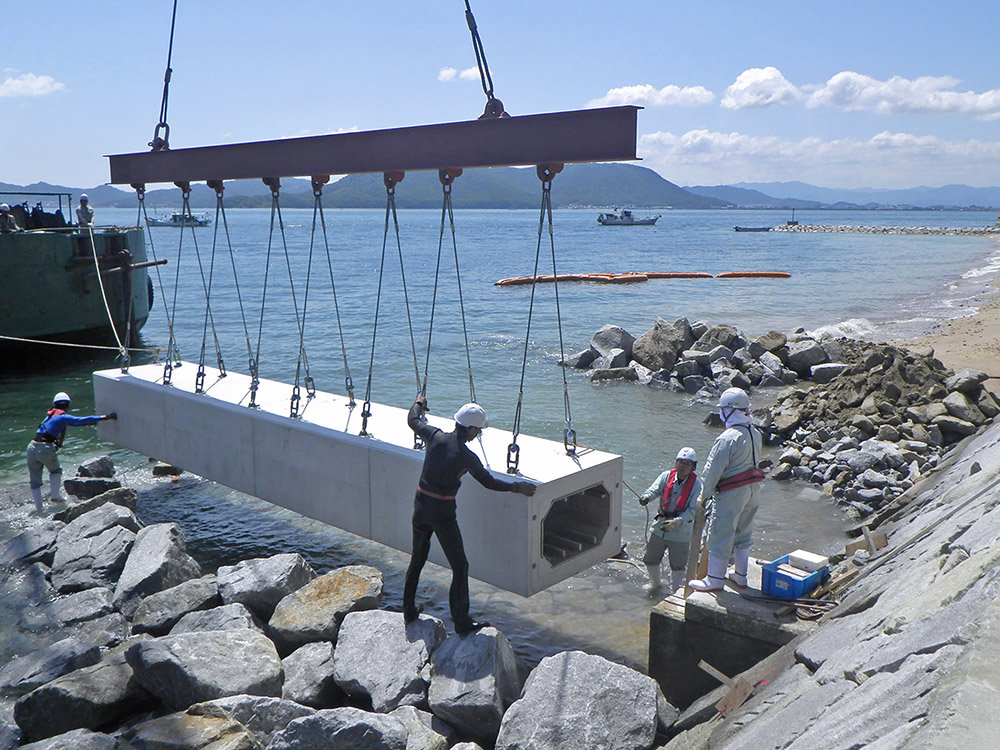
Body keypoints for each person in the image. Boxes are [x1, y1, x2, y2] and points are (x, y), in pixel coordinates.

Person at [404, 394, 535, 634]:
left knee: (418, 559)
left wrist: (419, 402)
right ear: (472, 429)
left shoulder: (434, 436)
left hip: (421, 507)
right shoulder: (467, 457)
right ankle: (462, 622)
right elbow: (489, 482)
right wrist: (517, 488)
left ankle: (408, 611)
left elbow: (412, 419)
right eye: (478, 430)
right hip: (442, 514)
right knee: (460, 566)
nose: (478, 434)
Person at [689, 388, 765, 592]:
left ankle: (714, 580)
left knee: (719, 533)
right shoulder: (755, 433)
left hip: (732, 492)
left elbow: (713, 470)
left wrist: (704, 495)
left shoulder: (727, 438)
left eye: (723, 409)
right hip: (754, 489)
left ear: (730, 411)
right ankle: (741, 576)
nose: (721, 413)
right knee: (743, 532)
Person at [27, 392, 117, 513]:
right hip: (45, 448)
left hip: (31, 447)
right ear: (67, 406)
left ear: (55, 405)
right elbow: (81, 420)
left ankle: (39, 509)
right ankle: (55, 496)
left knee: (35, 481)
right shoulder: (63, 417)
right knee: (55, 471)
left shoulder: (49, 416)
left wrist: (60, 442)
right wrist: (105, 417)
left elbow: (61, 429)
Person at [638, 447, 703, 595]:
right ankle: (655, 583)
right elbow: (654, 490)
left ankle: (675, 590)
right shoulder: (666, 476)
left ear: (693, 467)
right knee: (650, 558)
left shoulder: (697, 486)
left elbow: (693, 511)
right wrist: (646, 497)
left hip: (681, 532)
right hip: (660, 526)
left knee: (678, 565)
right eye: (680, 462)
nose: (682, 466)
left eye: (687, 463)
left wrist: (677, 522)